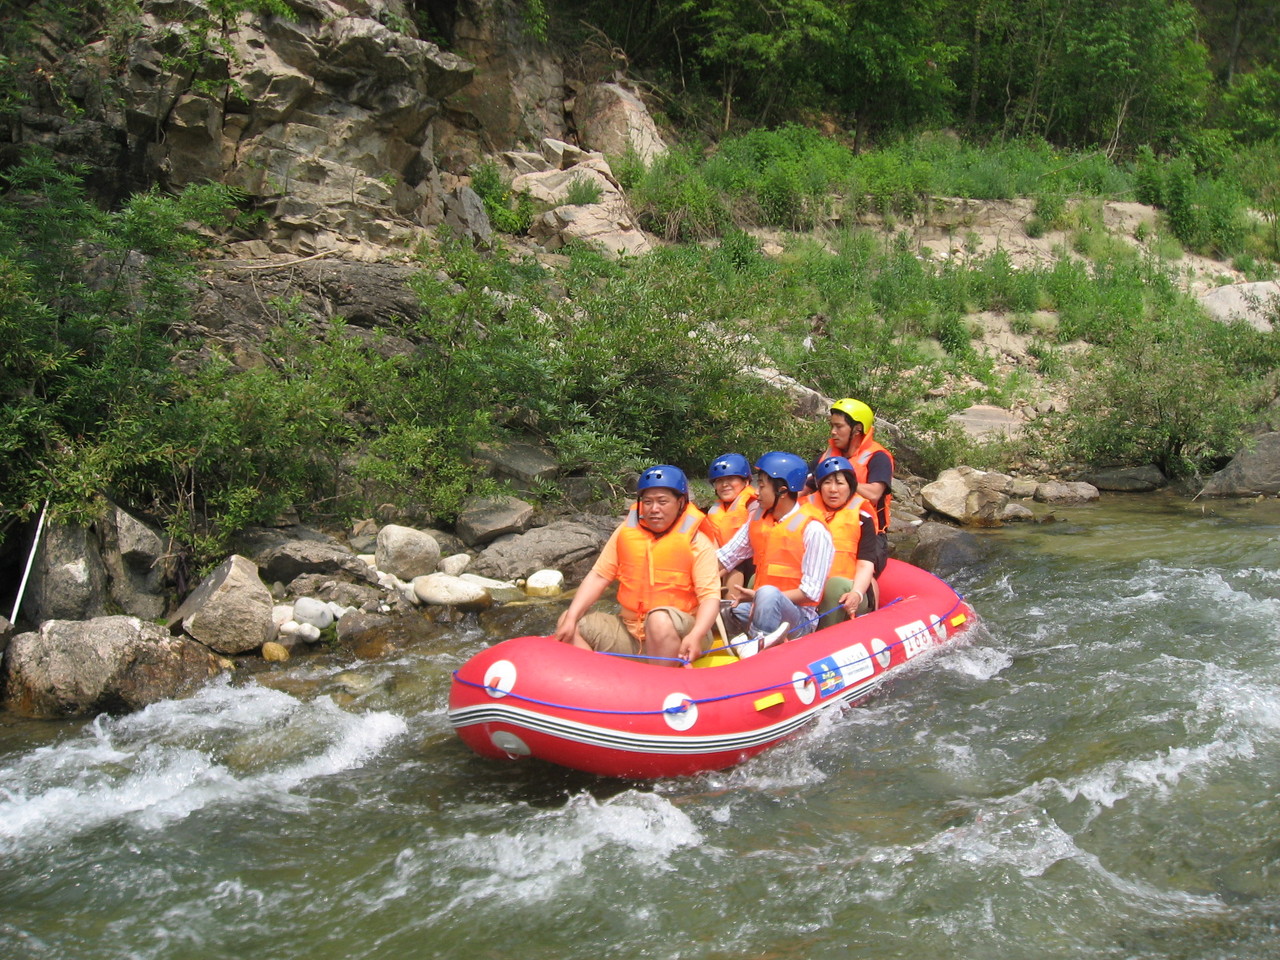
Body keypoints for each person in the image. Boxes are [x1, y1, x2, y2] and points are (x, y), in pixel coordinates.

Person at [553, 464, 720, 666]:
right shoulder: (625, 533)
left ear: (681, 502)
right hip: (631, 632)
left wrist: (696, 635)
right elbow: (599, 576)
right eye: (648, 502)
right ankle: (605, 686)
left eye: (662, 501)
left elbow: (710, 597)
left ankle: (660, 683)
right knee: (567, 620)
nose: (654, 509)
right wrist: (571, 617)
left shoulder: (697, 541)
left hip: (683, 634)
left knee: (659, 619)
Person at [717, 451, 834, 658]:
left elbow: (811, 592)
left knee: (768, 593)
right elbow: (726, 557)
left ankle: (756, 653)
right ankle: (746, 645)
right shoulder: (758, 518)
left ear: (782, 490)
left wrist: (761, 597)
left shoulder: (813, 529)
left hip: (800, 619)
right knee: (725, 610)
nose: (756, 492)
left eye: (762, 485)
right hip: (761, 606)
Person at [805, 455, 882, 628]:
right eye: (827, 483)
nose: (833, 490)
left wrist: (856, 593)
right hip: (808, 588)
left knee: (835, 586)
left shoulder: (863, 518)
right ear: (819, 486)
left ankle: (823, 639)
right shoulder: (801, 513)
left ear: (850, 486)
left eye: (840, 483)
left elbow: (865, 563)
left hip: (847, 590)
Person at [824, 397, 895, 554]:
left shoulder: (878, 457)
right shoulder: (830, 454)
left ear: (857, 429)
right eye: (832, 426)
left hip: (870, 533)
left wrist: (846, 483)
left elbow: (874, 494)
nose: (833, 432)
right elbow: (806, 484)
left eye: (839, 426)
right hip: (832, 527)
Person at [704, 453, 759, 593]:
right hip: (722, 563)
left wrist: (714, 575)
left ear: (745, 482)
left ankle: (730, 609)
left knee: (735, 568)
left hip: (750, 564)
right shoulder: (715, 510)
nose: (724, 485)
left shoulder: (754, 505)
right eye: (719, 480)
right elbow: (712, 544)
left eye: (731, 479)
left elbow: (744, 549)